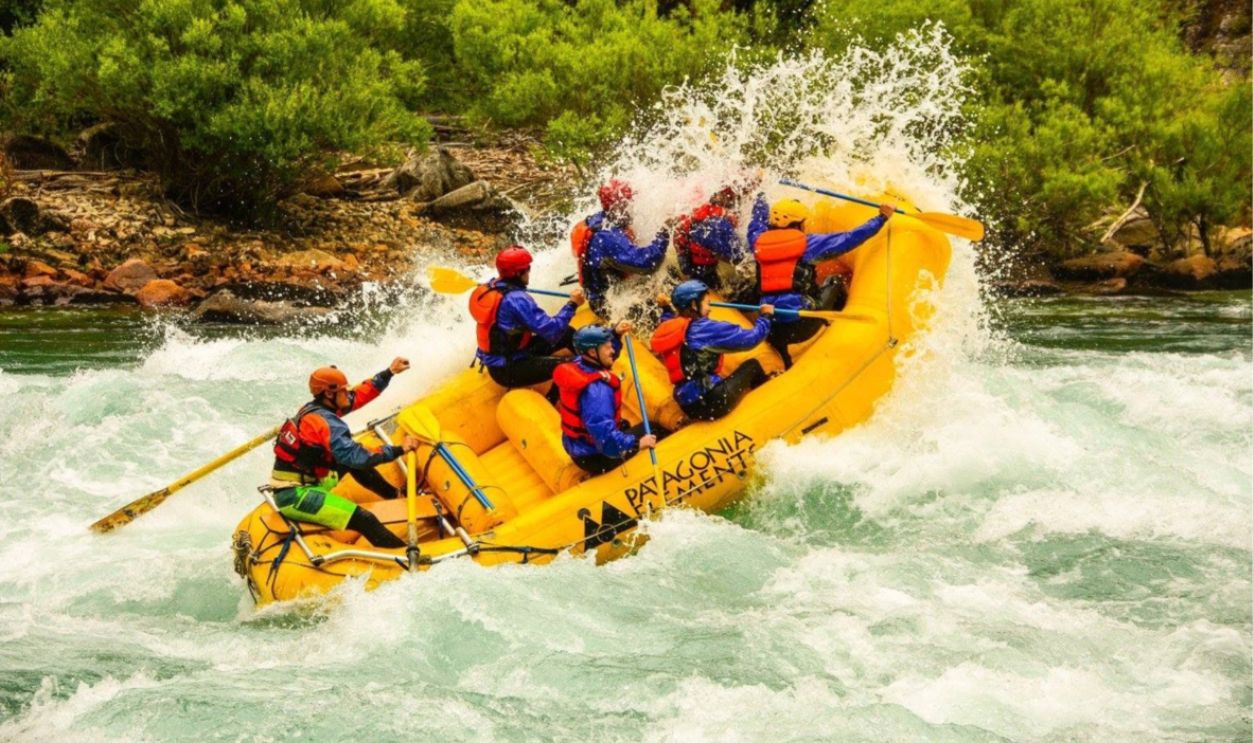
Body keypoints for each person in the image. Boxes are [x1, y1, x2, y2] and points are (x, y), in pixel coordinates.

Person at [270, 360, 420, 548]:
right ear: (329, 394)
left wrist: (389, 372)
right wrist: (399, 449)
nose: (348, 393)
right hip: (295, 496)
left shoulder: (319, 408)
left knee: (346, 463)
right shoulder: (325, 423)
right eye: (343, 390)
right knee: (365, 519)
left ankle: (395, 495)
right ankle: (404, 554)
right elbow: (360, 457)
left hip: (310, 481)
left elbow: (359, 395)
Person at [747, 194, 894, 367]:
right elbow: (850, 238)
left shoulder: (757, 242)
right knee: (834, 280)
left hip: (770, 329)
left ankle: (784, 358)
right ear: (798, 224)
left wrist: (761, 196)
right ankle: (835, 325)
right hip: (804, 324)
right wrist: (881, 218)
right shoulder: (807, 244)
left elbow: (757, 219)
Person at [651, 280, 775, 421]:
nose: (710, 308)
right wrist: (765, 317)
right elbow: (751, 339)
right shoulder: (703, 329)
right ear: (694, 305)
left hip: (690, 408)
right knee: (752, 366)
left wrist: (666, 308)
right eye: (707, 303)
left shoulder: (672, 328)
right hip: (715, 401)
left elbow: (668, 320)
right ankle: (767, 400)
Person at [469, 245, 587, 388]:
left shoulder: (491, 286)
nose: (529, 272)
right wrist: (572, 304)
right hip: (509, 369)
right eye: (528, 268)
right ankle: (555, 396)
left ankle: (590, 360)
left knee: (567, 333)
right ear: (518, 273)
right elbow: (553, 331)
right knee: (570, 365)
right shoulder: (516, 300)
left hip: (511, 355)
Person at [553, 323, 660, 475]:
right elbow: (605, 439)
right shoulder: (597, 392)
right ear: (592, 352)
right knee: (655, 429)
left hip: (580, 448)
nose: (612, 351)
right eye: (608, 347)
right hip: (598, 456)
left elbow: (605, 355)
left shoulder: (581, 363)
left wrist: (615, 334)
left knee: (624, 424)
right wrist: (637, 444)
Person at [570, 179, 669, 317]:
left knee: (669, 275)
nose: (631, 205)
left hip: (608, 289)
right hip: (607, 304)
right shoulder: (607, 237)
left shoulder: (600, 220)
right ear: (618, 206)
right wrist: (665, 232)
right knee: (664, 309)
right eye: (628, 202)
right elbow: (648, 264)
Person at [672, 185, 751, 291]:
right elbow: (728, 251)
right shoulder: (721, 218)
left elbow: (679, 231)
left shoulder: (700, 210)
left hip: (689, 256)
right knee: (708, 284)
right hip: (701, 262)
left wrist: (681, 253)